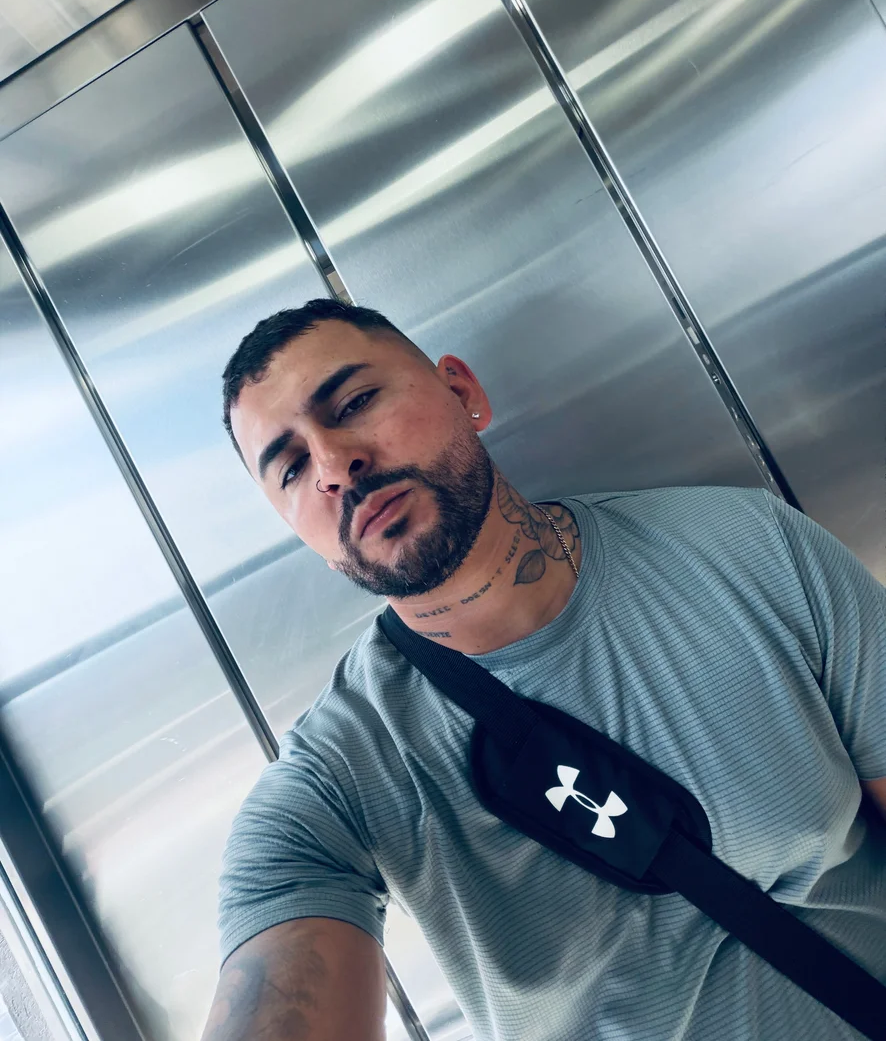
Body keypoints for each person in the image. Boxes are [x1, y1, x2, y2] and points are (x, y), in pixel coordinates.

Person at [201, 297, 886, 1041]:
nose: (335, 467)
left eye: (355, 402)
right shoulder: (335, 782)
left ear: (464, 392)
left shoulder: (747, 547)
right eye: (292, 468)